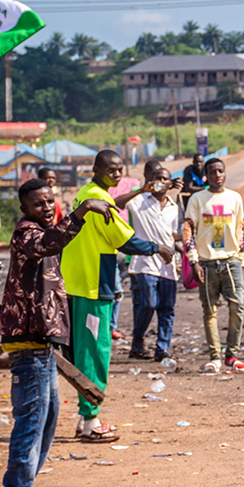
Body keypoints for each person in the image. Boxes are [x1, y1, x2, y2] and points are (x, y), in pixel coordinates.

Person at [0, 178, 113, 487]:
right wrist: (82, 212)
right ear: (25, 210)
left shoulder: (44, 230)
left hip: (43, 343)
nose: (46, 208)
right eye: (38, 204)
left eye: (50, 202)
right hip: (28, 343)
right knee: (31, 422)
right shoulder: (27, 234)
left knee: (47, 421)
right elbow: (49, 242)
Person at [60, 150, 172, 442]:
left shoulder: (89, 193)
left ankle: (86, 418)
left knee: (86, 350)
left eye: (120, 169)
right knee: (94, 352)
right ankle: (90, 421)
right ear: (96, 168)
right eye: (111, 168)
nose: (117, 173)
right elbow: (125, 240)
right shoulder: (98, 200)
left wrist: (137, 191)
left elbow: (113, 214)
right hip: (93, 284)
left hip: (81, 282)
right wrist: (158, 248)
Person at [184, 157, 244, 374]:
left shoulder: (235, 198)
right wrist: (193, 260)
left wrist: (243, 258)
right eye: (212, 172)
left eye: (220, 171)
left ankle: (232, 354)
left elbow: (242, 229)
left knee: (237, 306)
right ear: (206, 176)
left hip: (231, 260)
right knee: (209, 310)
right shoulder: (197, 199)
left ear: (225, 172)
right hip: (207, 263)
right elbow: (189, 230)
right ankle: (215, 357)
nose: (217, 175)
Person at [126, 160, 183, 360]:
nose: (160, 181)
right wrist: (142, 189)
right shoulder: (140, 200)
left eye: (164, 179)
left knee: (167, 308)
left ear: (170, 184)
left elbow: (170, 234)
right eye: (157, 178)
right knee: (149, 304)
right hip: (145, 262)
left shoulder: (173, 207)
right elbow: (116, 203)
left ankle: (162, 348)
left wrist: (184, 242)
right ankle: (138, 338)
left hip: (167, 265)